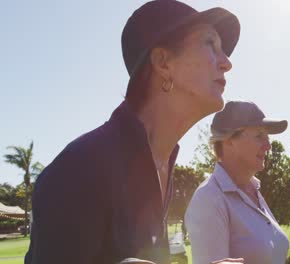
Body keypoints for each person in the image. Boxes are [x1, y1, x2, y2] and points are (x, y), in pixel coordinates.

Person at [25, 1, 244, 263]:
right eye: (210, 44)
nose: (227, 63)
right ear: (163, 63)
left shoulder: (161, 163)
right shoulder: (80, 169)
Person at [185, 101, 290, 264]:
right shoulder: (209, 199)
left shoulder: (254, 189)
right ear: (228, 141)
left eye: (267, 137)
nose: (268, 145)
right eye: (259, 136)